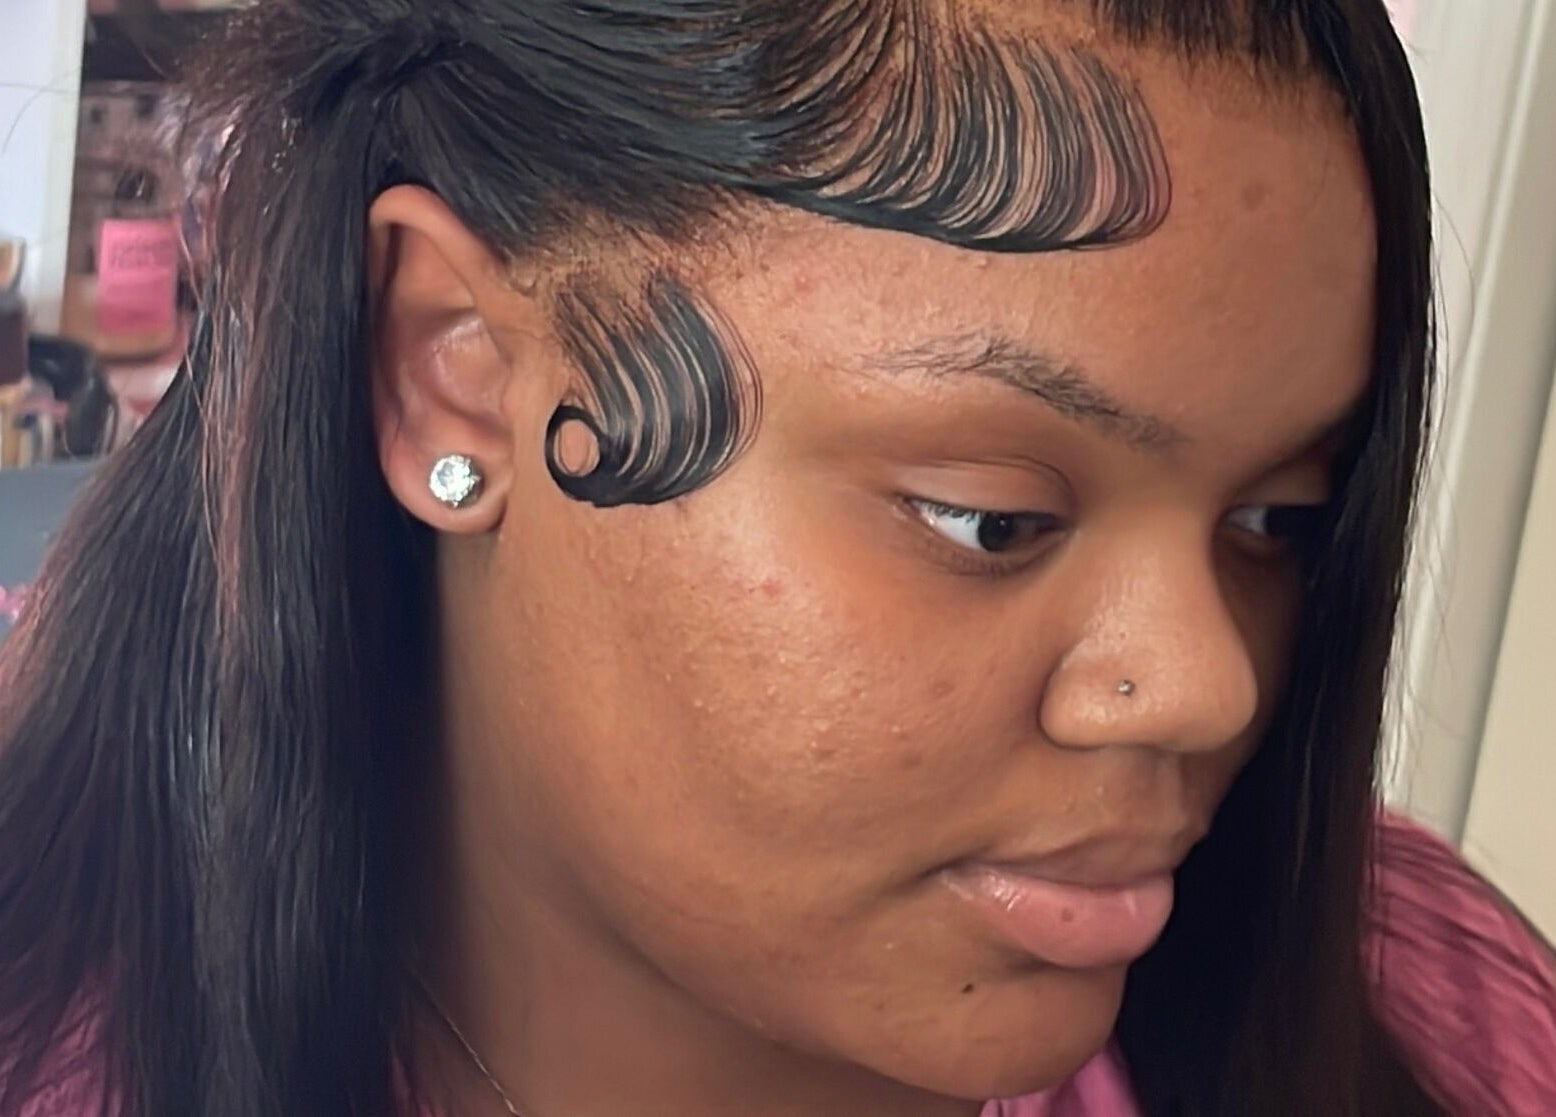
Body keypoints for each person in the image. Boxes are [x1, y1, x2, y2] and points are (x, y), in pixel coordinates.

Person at [1, 1, 1553, 1114]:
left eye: (1274, 521)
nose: (1207, 685)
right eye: (991, 516)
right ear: (452, 365)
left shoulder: (1427, 1012)